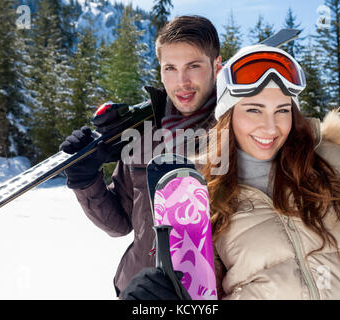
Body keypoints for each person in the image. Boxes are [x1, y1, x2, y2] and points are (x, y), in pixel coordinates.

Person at [120, 45, 340, 300]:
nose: (270, 128)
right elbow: (200, 294)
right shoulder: (199, 191)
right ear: (228, 116)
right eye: (254, 110)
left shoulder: (334, 162)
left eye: (282, 110)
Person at [59, 15, 222, 297]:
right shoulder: (143, 135)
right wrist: (86, 180)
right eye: (170, 68)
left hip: (203, 296)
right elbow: (121, 223)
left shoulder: (237, 130)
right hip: (139, 291)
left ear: (217, 66)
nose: (181, 81)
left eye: (193, 66)